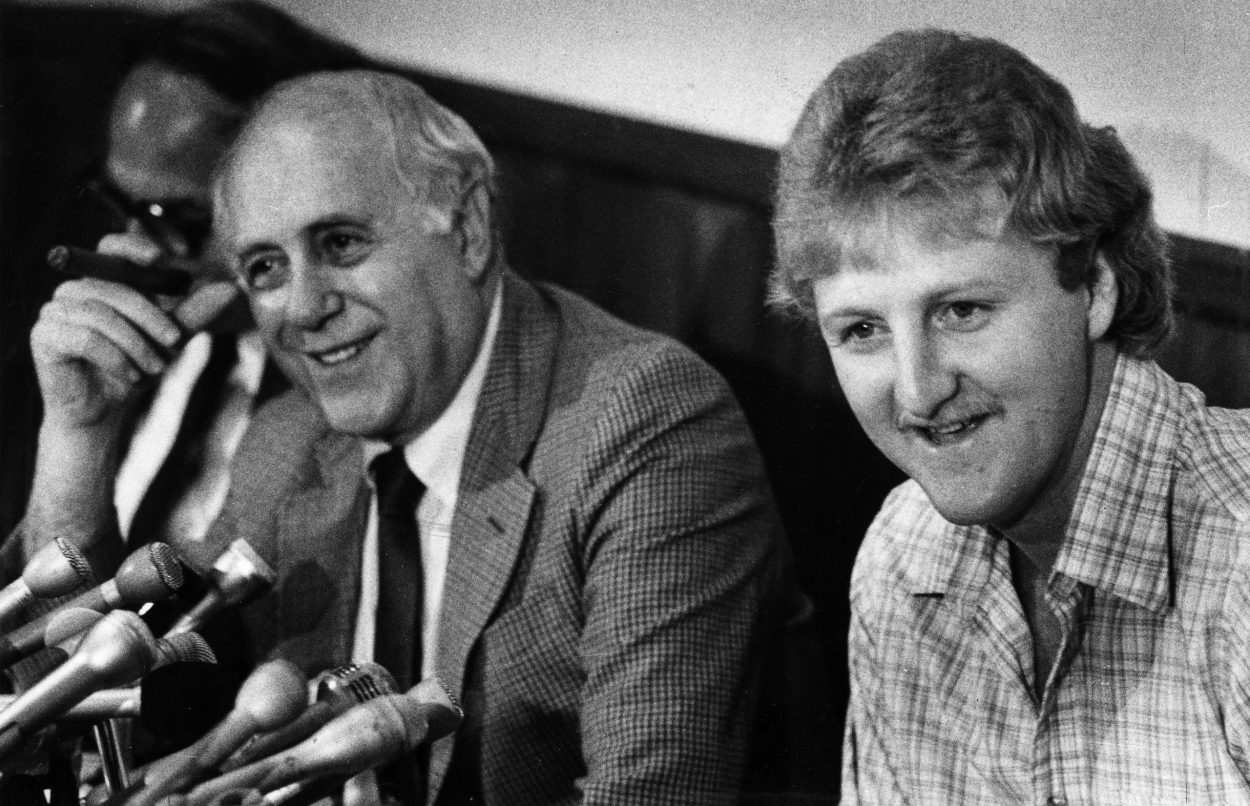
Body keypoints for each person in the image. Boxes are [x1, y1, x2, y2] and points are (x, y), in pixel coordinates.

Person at [24, 67, 797, 803]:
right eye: (265, 267)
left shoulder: (644, 425)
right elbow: (81, 698)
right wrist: (79, 433)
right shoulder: (291, 443)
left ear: (466, 226)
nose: (302, 306)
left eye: (340, 244)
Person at [771, 28, 1250, 805]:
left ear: (1092, 286)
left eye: (962, 310)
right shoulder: (904, 554)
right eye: (862, 331)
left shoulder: (1239, 562)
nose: (918, 393)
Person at [3, 0, 367, 576]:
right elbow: (46, 639)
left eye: (180, 219)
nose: (138, 248)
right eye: (120, 205)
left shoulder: (358, 398)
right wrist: (81, 434)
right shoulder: (103, 346)